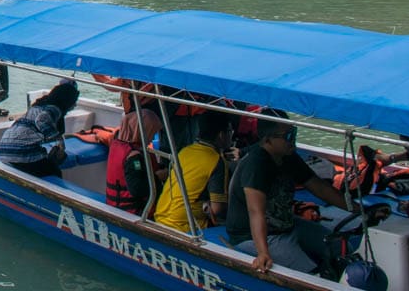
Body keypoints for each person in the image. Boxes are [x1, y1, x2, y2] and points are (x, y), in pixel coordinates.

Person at [226, 111, 362, 275]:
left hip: (287, 224)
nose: (293, 140)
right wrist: (263, 252)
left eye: (294, 133)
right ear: (268, 139)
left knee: (341, 246)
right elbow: (256, 212)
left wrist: (357, 209)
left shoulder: (287, 156)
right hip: (254, 235)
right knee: (311, 274)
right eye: (288, 136)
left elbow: (319, 187)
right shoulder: (256, 165)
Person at [155, 111, 235, 232]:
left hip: (161, 217)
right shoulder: (216, 160)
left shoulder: (185, 151)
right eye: (230, 132)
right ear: (221, 135)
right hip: (184, 225)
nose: (231, 136)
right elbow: (218, 209)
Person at [0, 79, 80, 178]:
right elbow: (41, 120)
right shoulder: (54, 109)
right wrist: (58, 140)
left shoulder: (37, 107)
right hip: (20, 152)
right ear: (67, 101)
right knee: (55, 171)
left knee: (45, 157)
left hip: (4, 149)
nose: (74, 105)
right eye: (74, 102)